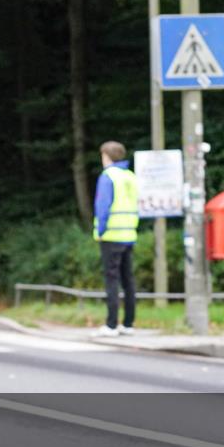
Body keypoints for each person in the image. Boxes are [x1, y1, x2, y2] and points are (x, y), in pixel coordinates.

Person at [93, 141, 138, 337]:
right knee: (128, 280)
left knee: (112, 280)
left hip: (112, 235)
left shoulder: (108, 176)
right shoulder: (130, 176)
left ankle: (111, 324)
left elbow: (103, 206)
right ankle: (128, 324)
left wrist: (100, 231)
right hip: (129, 234)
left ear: (107, 156)